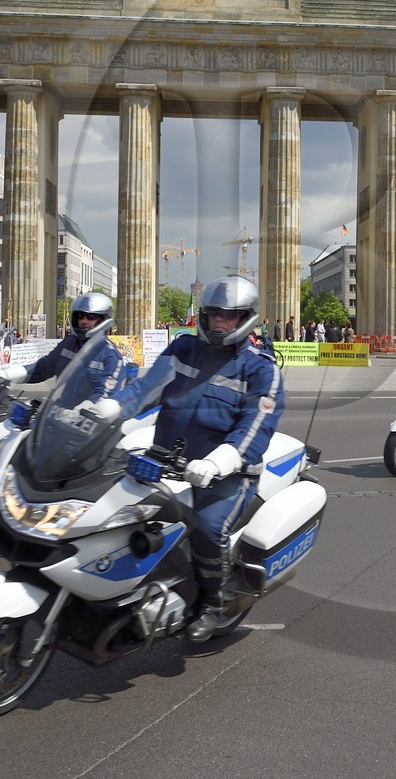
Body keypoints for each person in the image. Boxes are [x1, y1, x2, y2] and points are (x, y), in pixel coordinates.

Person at [90, 275, 283, 644]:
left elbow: (255, 428)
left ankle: (212, 603)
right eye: (212, 315)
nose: (218, 323)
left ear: (246, 318)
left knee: (208, 529)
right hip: (166, 460)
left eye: (228, 316)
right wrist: (111, 408)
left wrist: (218, 462)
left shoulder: (261, 369)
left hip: (227, 474)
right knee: (110, 507)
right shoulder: (183, 350)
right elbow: (146, 388)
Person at [0, 293, 125, 403]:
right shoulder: (68, 344)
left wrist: (87, 409)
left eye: (91, 317)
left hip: (88, 426)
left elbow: (105, 394)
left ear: (104, 319)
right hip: (56, 417)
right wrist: (5, 375)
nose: (83, 321)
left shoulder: (111, 356)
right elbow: (42, 369)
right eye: (80, 316)